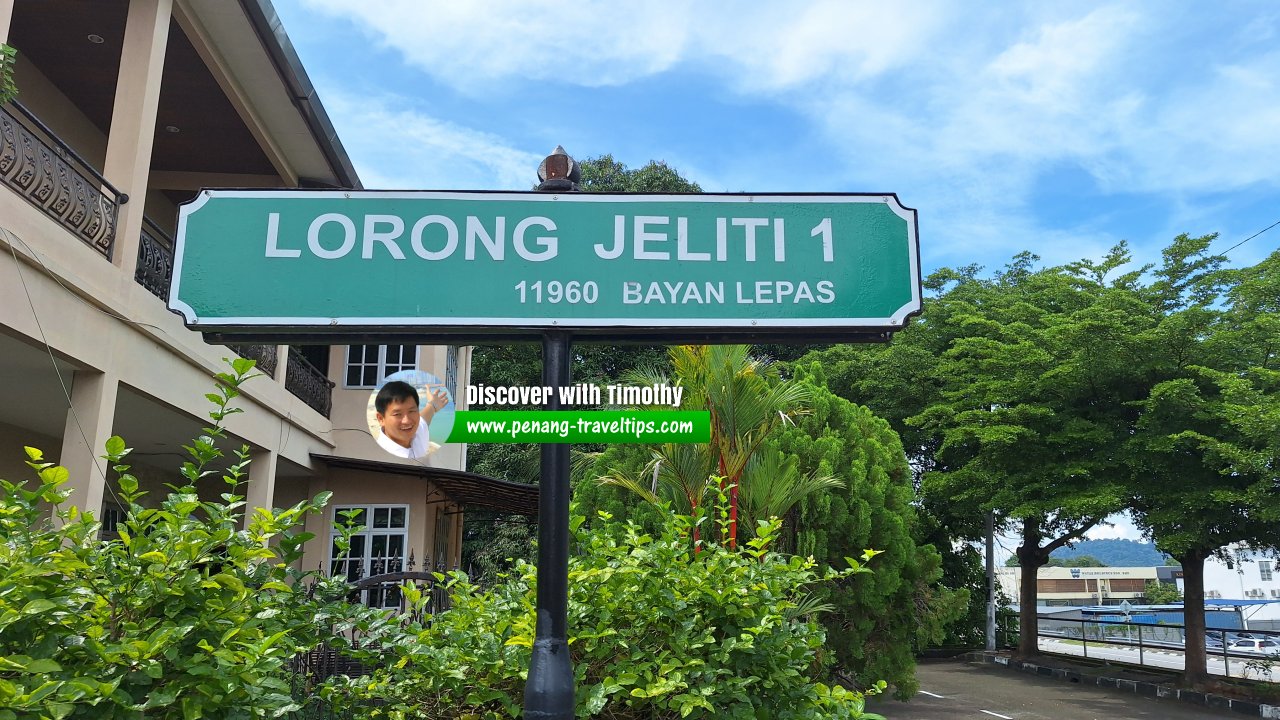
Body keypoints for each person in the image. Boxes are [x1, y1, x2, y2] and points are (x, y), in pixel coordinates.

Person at [374, 380, 449, 459]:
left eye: (412, 411)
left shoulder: (417, 432)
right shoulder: (380, 457)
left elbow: (424, 418)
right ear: (381, 419)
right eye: (397, 414)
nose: (407, 421)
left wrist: (433, 404)